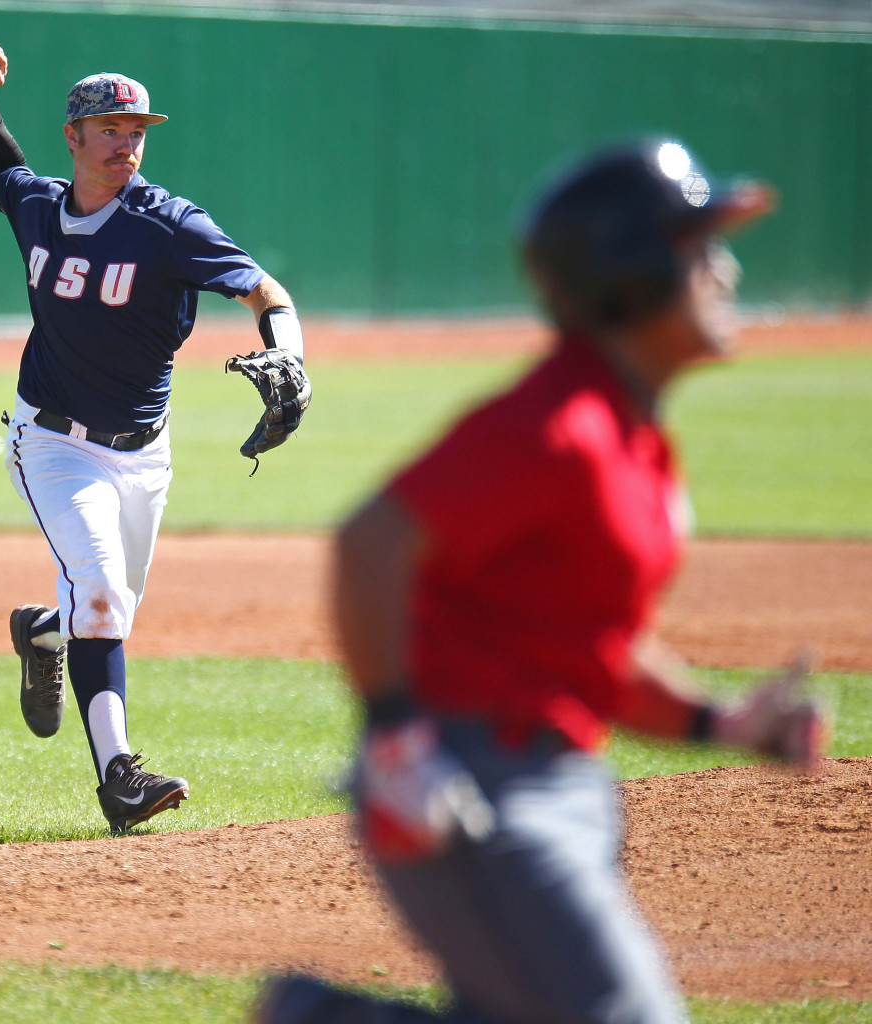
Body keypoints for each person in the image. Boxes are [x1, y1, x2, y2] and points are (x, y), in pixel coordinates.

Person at [257, 141, 826, 1024]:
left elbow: (586, 646)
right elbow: (370, 543)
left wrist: (719, 721)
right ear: (633, 277)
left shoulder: (630, 434)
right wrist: (395, 735)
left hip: (561, 781)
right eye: (700, 248)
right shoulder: (557, 426)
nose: (727, 269)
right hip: (474, 788)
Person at [0, 39, 311, 832]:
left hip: (143, 452)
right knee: (104, 593)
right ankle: (119, 777)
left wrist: (288, 353)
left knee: (103, 609)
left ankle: (44, 633)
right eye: (110, 128)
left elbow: (264, 290)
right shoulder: (40, 206)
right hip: (48, 440)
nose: (126, 142)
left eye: (136, 129)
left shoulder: (168, 225)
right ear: (73, 138)